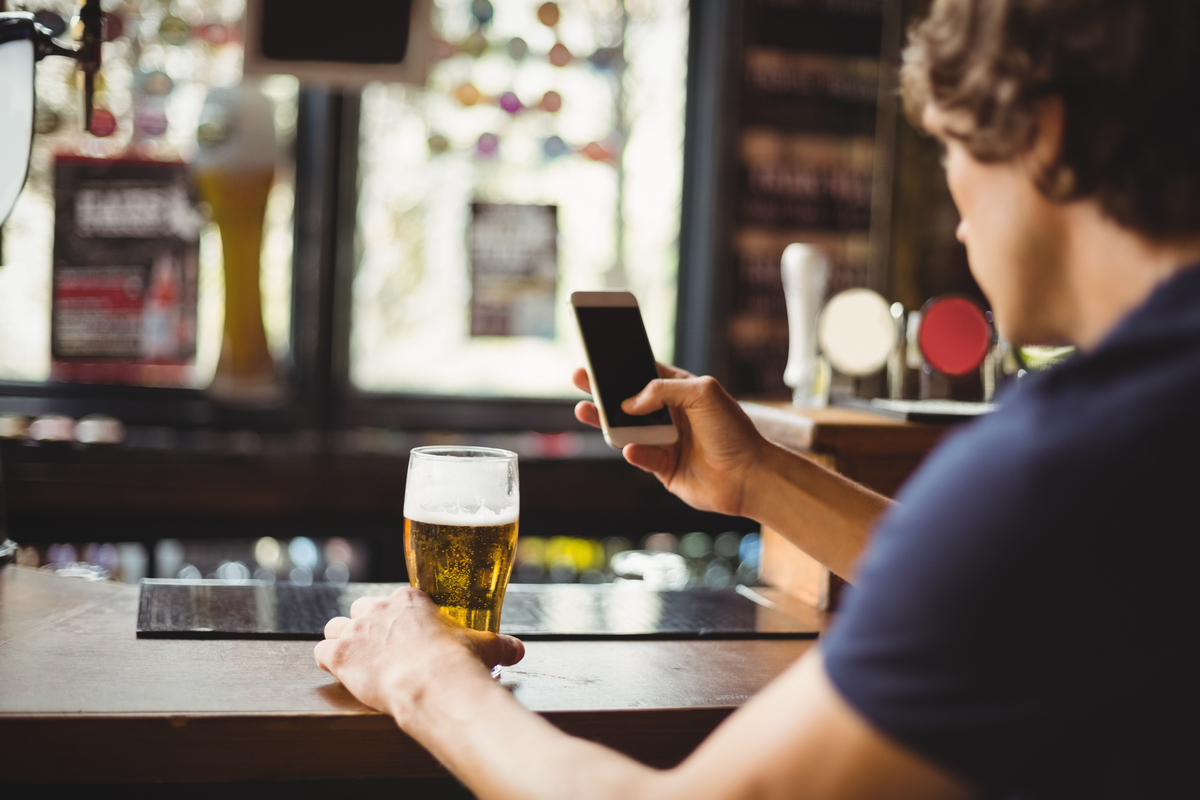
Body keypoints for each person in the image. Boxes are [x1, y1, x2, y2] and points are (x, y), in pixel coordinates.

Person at [314, 1, 1198, 797]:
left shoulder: (1072, 465)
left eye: (949, 147)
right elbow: (1022, 589)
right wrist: (761, 481)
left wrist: (418, 675)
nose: (956, 209)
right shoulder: (1137, 450)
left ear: (1042, 134)